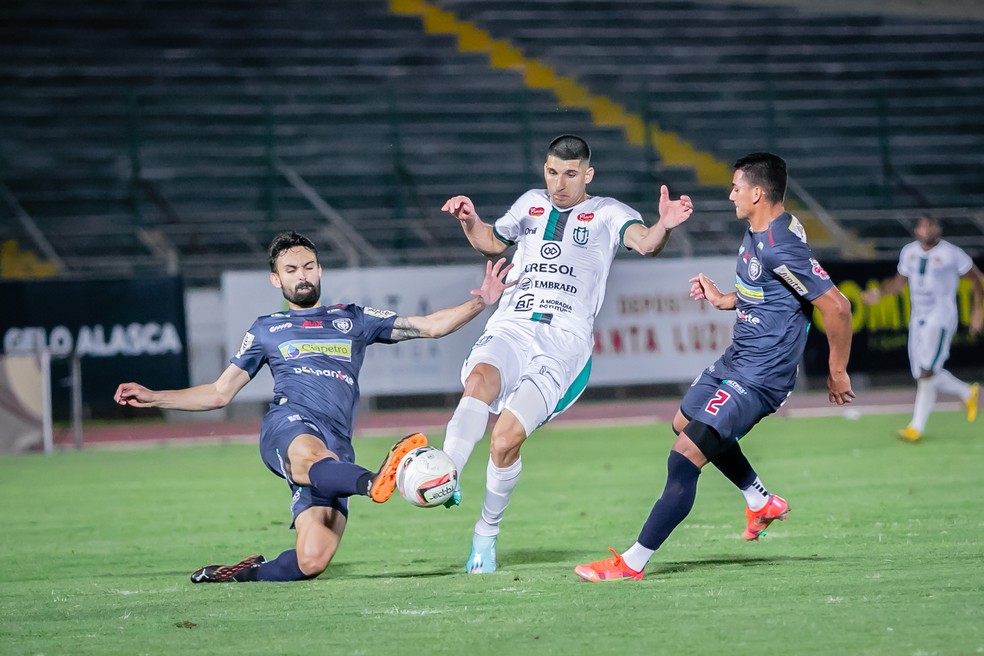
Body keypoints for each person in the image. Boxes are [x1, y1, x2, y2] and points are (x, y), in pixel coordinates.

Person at [114, 231, 513, 583]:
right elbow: (220, 393)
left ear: (319, 270)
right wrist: (154, 397)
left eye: (307, 266)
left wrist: (482, 303)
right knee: (310, 454)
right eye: (290, 270)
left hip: (337, 448)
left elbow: (428, 325)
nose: (301, 275)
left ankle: (240, 573)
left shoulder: (353, 319)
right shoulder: (266, 329)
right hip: (290, 425)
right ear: (276, 279)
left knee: (311, 560)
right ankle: (373, 482)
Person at [574, 152, 856, 582]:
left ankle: (631, 563)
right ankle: (759, 499)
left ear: (758, 193)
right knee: (683, 421)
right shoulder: (760, 232)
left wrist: (837, 371)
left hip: (761, 375)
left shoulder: (782, 245)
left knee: (684, 457)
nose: (730, 196)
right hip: (737, 357)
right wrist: (724, 298)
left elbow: (837, 307)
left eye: (736, 188)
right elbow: (770, 291)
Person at [439, 134, 694, 574]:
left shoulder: (608, 213)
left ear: (588, 175)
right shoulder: (530, 204)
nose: (559, 184)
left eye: (571, 174)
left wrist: (664, 225)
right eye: (553, 172)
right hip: (513, 322)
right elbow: (490, 243)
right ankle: (444, 474)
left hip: (563, 343)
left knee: (504, 441)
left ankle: (486, 532)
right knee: (479, 380)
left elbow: (646, 242)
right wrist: (469, 220)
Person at [863, 215, 983, 442]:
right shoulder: (909, 252)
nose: (927, 230)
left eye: (931, 225)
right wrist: (879, 293)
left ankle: (915, 427)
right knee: (920, 373)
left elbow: (976, 279)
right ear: (917, 229)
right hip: (918, 316)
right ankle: (967, 392)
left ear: (939, 228)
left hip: (941, 317)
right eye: (923, 225)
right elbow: (900, 281)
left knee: (927, 370)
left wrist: (978, 311)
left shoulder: (951, 253)